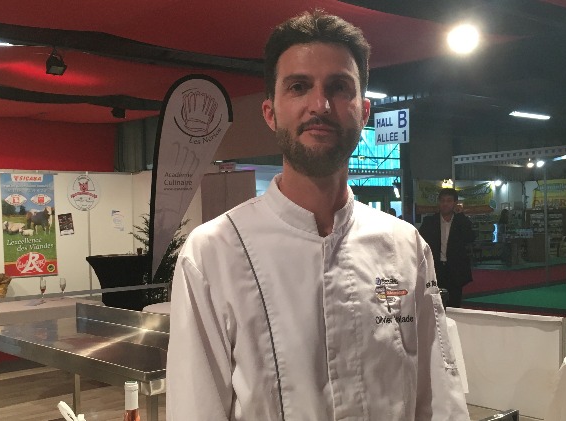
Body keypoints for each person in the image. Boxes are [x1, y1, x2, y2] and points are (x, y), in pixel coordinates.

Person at [166, 10, 469, 421]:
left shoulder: (405, 246)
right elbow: (195, 409)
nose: (320, 105)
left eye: (339, 87)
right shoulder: (212, 253)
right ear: (270, 113)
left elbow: (440, 397)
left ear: (364, 112)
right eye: (298, 87)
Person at [418, 188, 476, 307]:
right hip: (435, 268)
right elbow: (420, 242)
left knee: (454, 304)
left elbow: (470, 237)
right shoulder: (429, 222)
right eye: (442, 200)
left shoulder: (461, 221)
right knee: (434, 304)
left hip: (455, 269)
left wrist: (461, 215)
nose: (445, 204)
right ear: (439, 202)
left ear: (455, 203)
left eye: (449, 201)